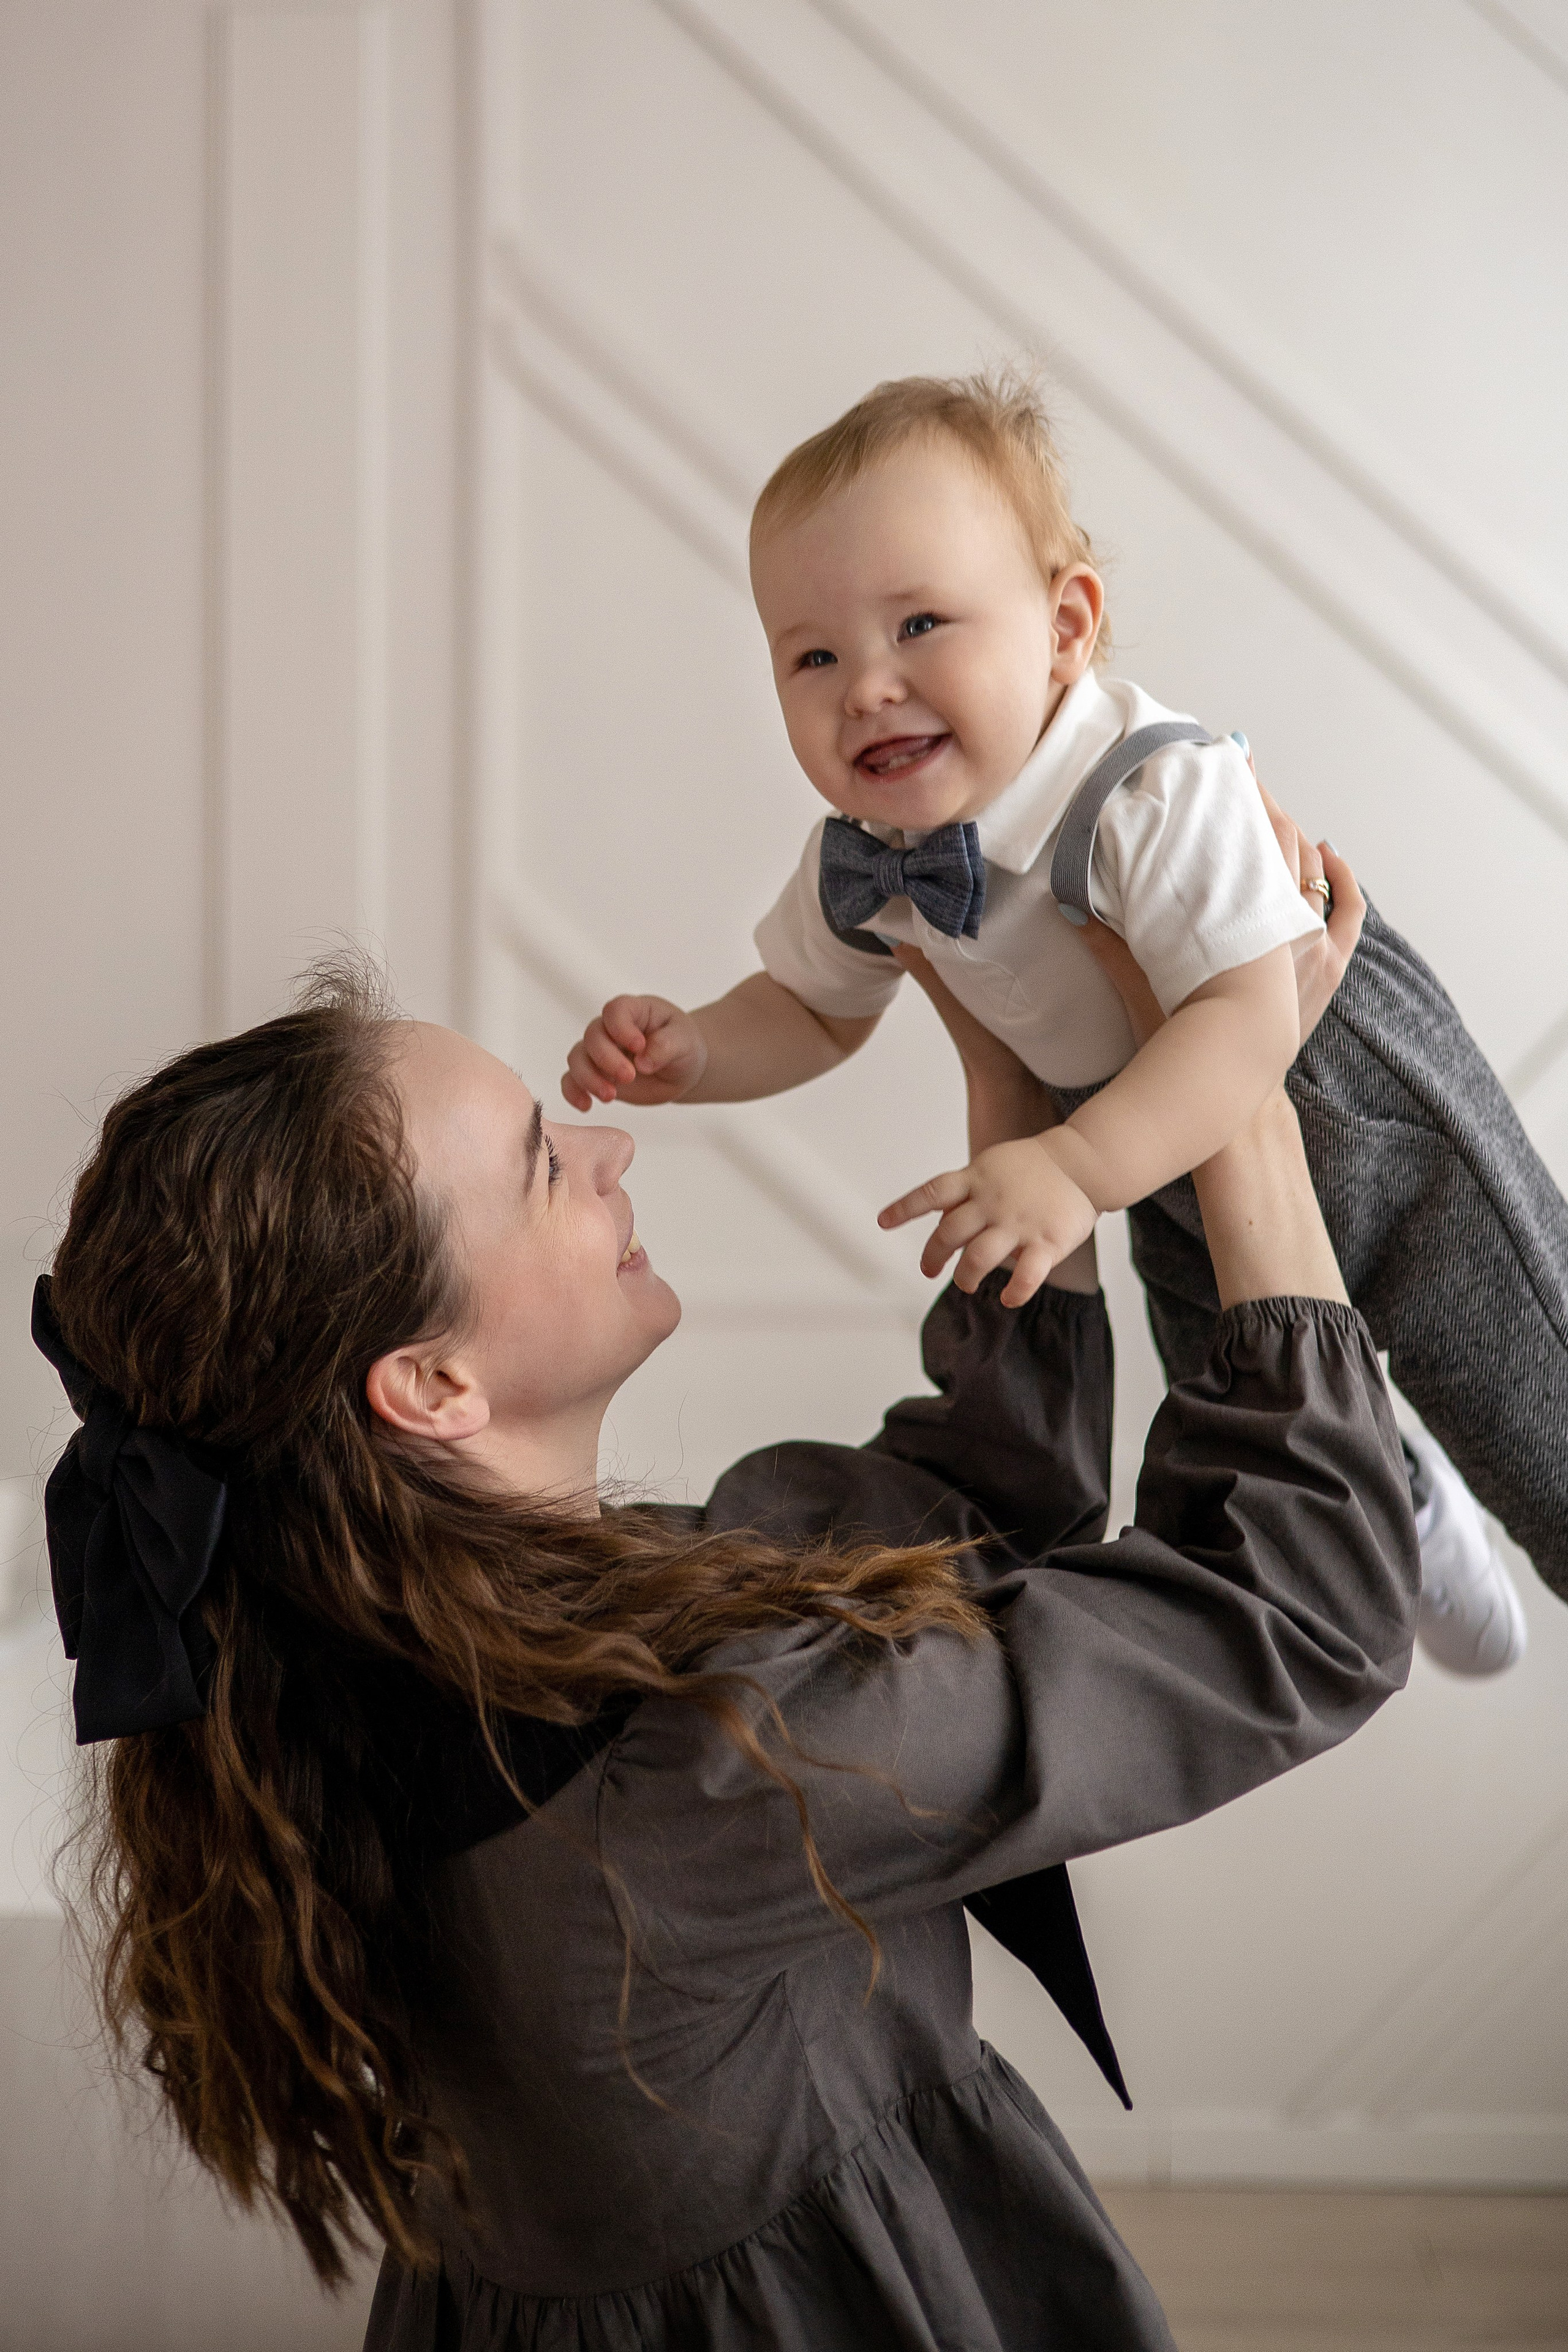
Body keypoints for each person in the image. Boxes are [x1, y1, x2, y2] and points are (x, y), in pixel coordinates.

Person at [36, 847, 1415, 2350]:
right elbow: (1300, 1606)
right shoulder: (698, 1763)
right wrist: (1240, 1097)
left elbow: (959, 1526)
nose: (608, 1151)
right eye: (541, 1166)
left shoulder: (367, 1643)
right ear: (430, 1385)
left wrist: (1011, 1081)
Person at [562, 370, 1558, 1675]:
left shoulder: (1146, 785)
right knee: (1243, 1400)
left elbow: (1251, 1010)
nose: (865, 686)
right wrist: (691, 1050)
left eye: (919, 623)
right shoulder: (869, 855)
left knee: (1528, 1378)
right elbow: (810, 1012)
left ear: (1064, 626)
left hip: (1333, 1090)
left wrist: (1076, 1169)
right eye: (813, 655)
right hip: (1141, 1149)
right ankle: (1393, 1478)